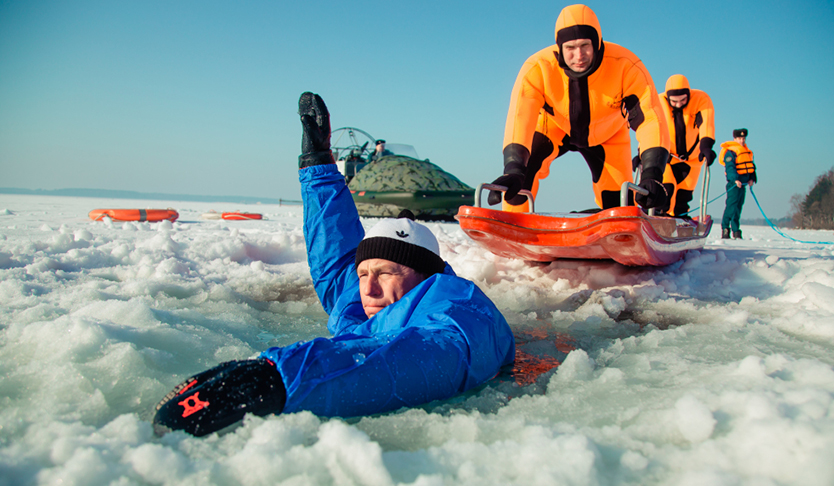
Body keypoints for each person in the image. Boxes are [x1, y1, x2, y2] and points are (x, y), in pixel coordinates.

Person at [152, 93, 515, 437]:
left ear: (425, 277)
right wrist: (318, 166)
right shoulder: (366, 298)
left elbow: (413, 362)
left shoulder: (459, 315)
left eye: (386, 273)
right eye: (364, 274)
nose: (368, 288)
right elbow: (336, 256)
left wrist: (278, 380)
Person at [488, 4, 671, 212]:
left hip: (608, 135)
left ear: (598, 43)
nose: (579, 56)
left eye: (585, 45)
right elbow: (519, 117)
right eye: (570, 48)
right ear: (559, 48)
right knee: (519, 182)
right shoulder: (537, 68)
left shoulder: (627, 66)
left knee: (619, 208)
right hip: (553, 128)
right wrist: (513, 167)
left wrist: (652, 175)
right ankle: (512, 230)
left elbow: (651, 119)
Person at [658, 74, 716, 218]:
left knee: (683, 197)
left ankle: (680, 221)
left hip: (692, 160)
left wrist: (706, 146)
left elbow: (706, 124)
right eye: (674, 101)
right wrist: (643, 153)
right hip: (667, 158)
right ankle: (658, 218)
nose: (679, 104)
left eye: (683, 100)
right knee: (665, 190)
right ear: (667, 97)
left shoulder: (701, 99)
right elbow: (651, 129)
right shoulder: (658, 103)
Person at [720, 128, 756, 239]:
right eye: (739, 138)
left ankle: (736, 231)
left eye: (743, 138)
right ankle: (725, 229)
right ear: (735, 138)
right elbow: (730, 167)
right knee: (731, 206)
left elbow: (751, 167)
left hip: (743, 184)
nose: (742, 140)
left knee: (738, 208)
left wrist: (752, 178)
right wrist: (734, 179)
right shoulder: (730, 152)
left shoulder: (746, 151)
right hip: (734, 185)